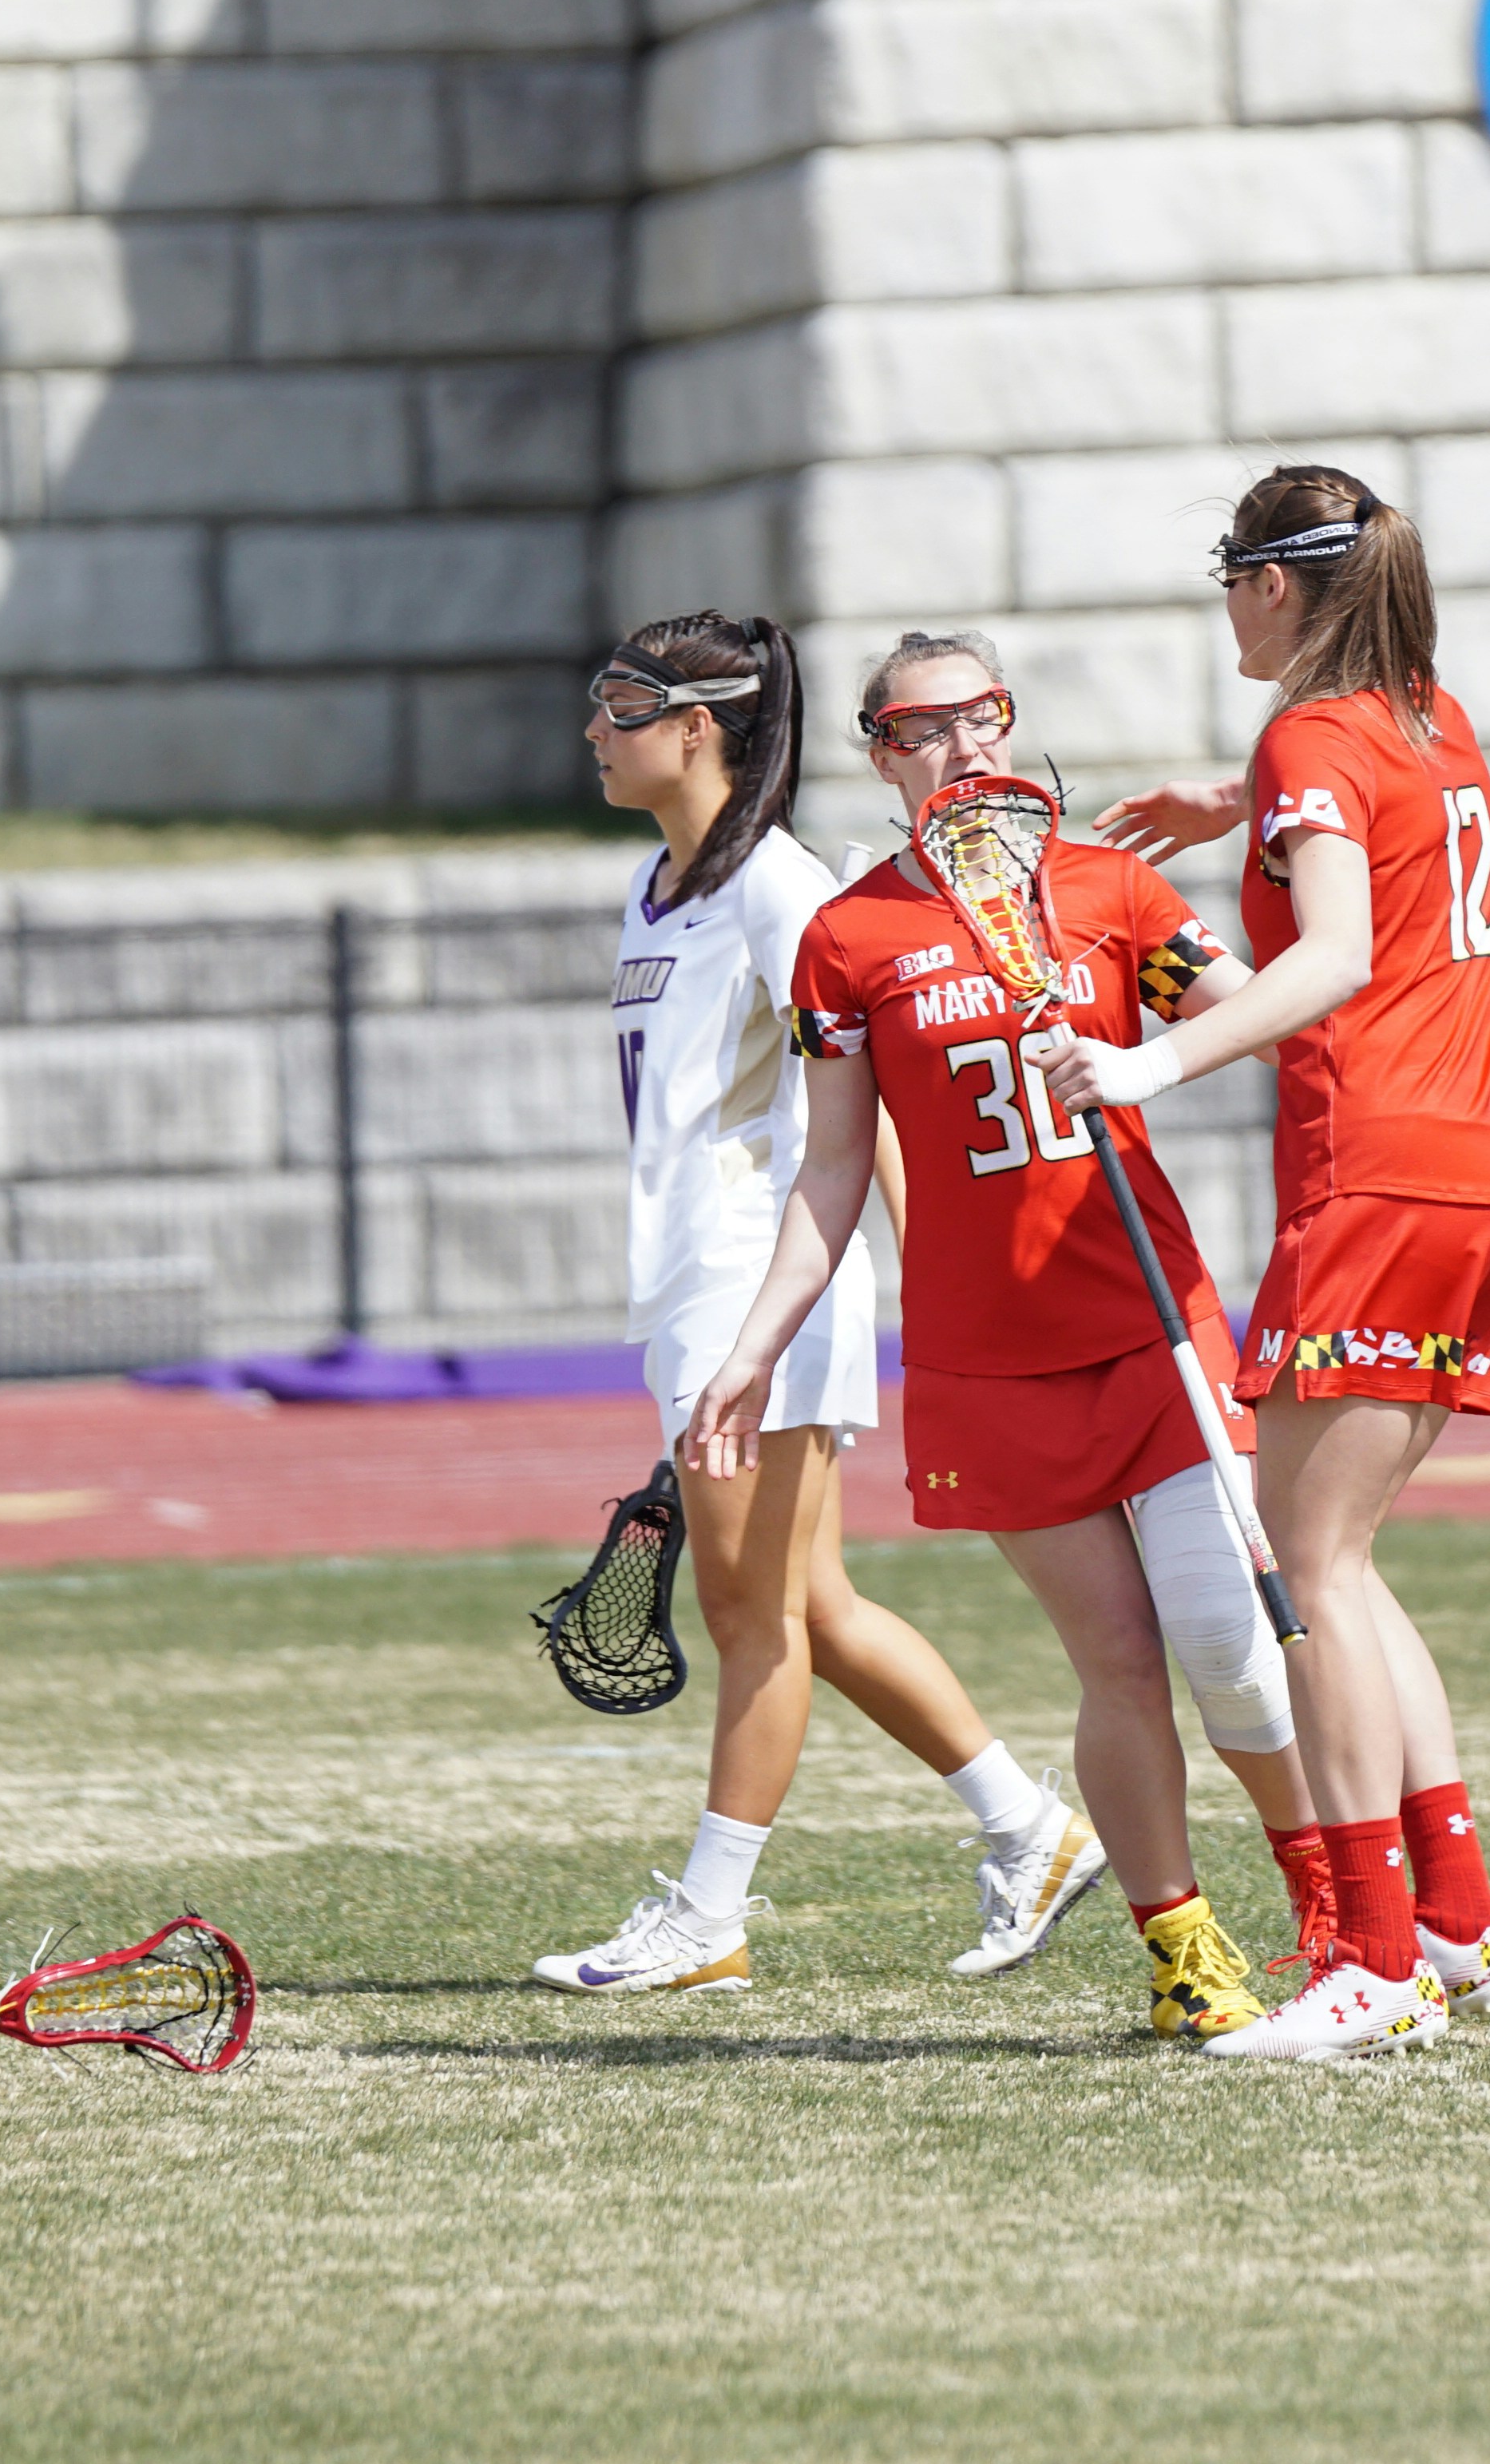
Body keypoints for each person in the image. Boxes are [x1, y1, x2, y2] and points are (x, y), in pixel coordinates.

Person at [689, 633, 1322, 2045]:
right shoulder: (848, 939)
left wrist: (1407, 1022)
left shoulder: (1109, 886)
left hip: (1151, 1318)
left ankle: (1333, 1903)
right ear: (879, 749)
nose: (965, 748)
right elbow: (835, 1169)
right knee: (1115, 1662)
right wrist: (750, 1348)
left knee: (1227, 1640)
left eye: (985, 719)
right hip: (991, 1356)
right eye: (928, 729)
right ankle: (1183, 1947)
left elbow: (1270, 1022)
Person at [529, 613, 1104, 1999]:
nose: (593, 731)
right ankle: (1031, 1831)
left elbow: (870, 1101)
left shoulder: (781, 890)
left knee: (754, 1620)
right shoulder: (662, 884)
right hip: (693, 1281)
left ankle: (709, 1914)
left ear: (699, 727)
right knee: (815, 1606)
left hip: (758, 1285)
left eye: (621, 705)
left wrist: (933, 1281)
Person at [1055, 463, 1490, 2064]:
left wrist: (1144, 1067)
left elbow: (1333, 954)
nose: (1222, 600)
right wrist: (1229, 808)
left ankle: (1373, 1951)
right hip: (1486, 1160)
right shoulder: (1429, 713)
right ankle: (1459, 1923)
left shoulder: (1314, 737)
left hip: (1383, 1167)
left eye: (1227, 570)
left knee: (1308, 1573)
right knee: (1351, 1553)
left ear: (1278, 580)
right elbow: (1397, 894)